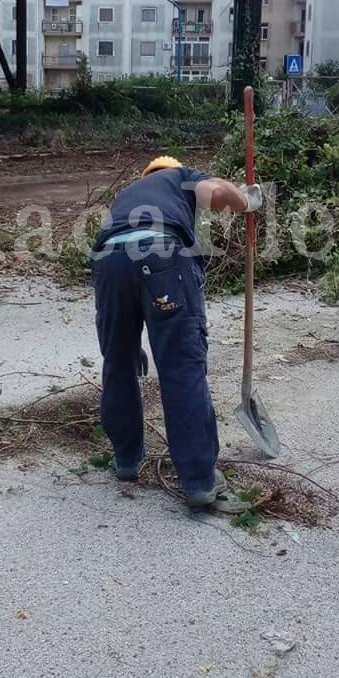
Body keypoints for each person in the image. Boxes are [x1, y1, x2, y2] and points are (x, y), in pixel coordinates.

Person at [91, 155, 263, 509]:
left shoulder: (127, 193)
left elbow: (125, 250)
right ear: (171, 170)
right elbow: (214, 194)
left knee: (117, 361)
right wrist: (246, 199)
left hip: (109, 261)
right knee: (181, 367)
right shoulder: (181, 176)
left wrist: (127, 331)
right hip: (163, 256)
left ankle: (125, 461)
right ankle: (199, 481)